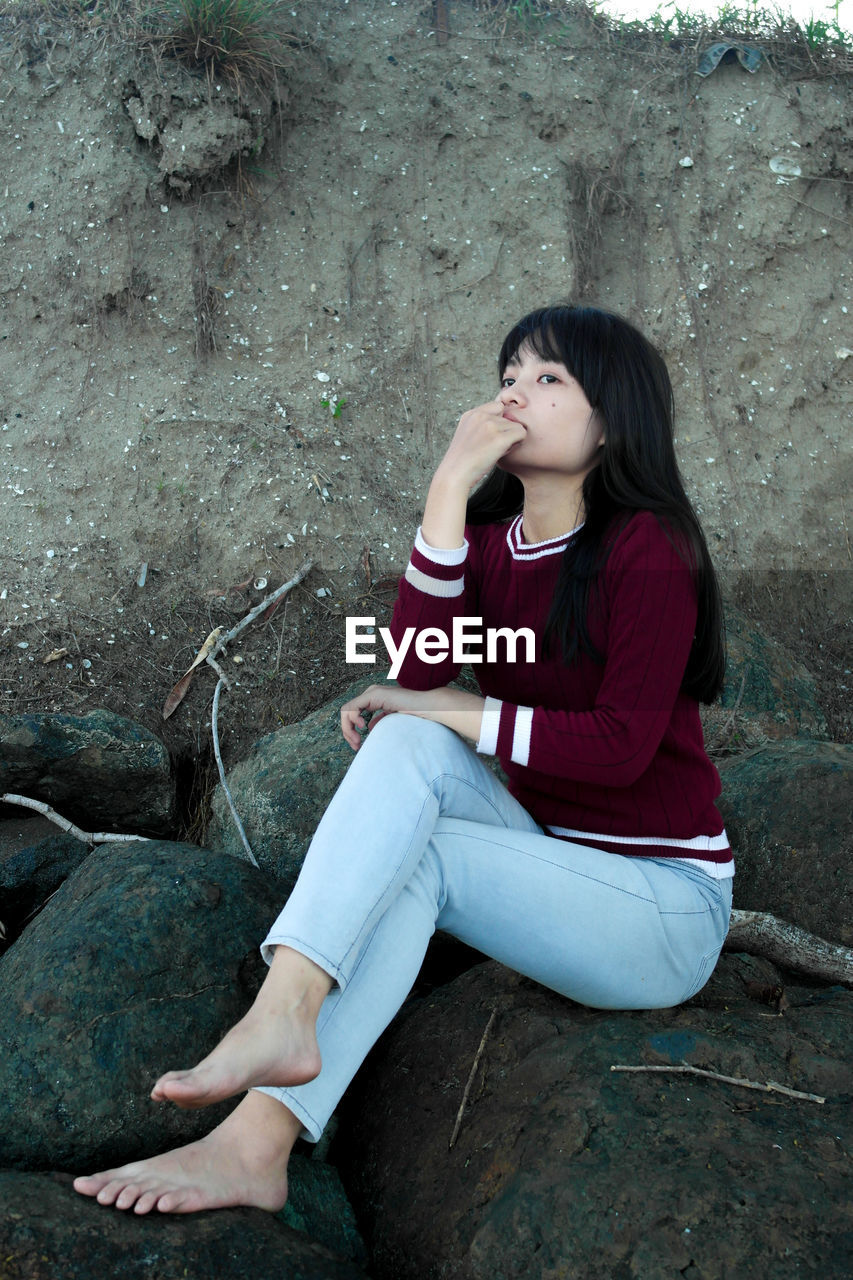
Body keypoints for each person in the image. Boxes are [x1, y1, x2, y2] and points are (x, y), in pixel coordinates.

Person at [74, 303, 733, 1216]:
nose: (514, 395)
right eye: (507, 376)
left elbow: (619, 747)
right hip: (548, 855)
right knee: (410, 736)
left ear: (613, 419)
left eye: (548, 380)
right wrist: (446, 495)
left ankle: (265, 1087)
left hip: (661, 905)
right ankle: (275, 1062)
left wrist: (468, 705)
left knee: (426, 800)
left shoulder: (648, 546)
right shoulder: (500, 548)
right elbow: (420, 672)